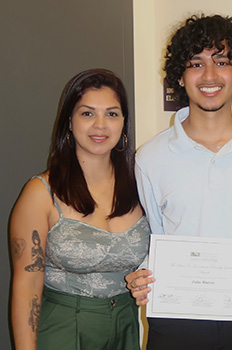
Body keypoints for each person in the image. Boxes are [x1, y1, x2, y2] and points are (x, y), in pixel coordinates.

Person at [125, 14, 232, 350]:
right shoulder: (150, 157)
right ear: (181, 77)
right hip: (173, 322)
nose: (210, 75)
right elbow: (155, 240)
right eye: (196, 63)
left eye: (222, 61)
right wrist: (142, 275)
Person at [10, 68, 151, 350]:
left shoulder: (142, 186)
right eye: (87, 113)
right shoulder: (41, 192)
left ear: (124, 123)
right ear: (69, 123)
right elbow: (27, 285)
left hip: (125, 325)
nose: (100, 125)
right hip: (63, 326)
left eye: (112, 114)